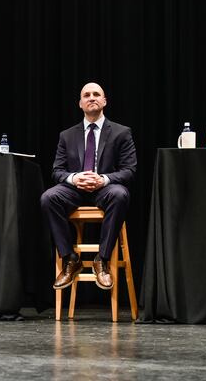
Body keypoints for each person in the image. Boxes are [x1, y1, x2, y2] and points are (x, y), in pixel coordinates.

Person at [41, 82, 137, 290]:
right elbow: (57, 170)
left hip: (105, 189)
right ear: (80, 103)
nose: (91, 97)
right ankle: (69, 259)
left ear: (104, 101)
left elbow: (129, 171)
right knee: (49, 198)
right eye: (86, 95)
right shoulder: (67, 135)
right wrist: (74, 178)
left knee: (120, 194)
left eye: (96, 94)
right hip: (75, 190)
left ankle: (102, 260)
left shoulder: (121, 132)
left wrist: (104, 179)